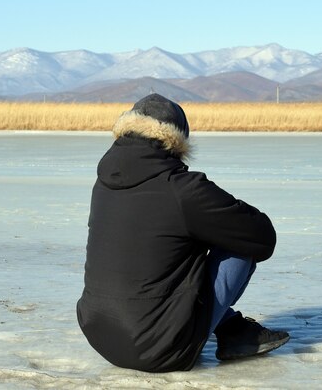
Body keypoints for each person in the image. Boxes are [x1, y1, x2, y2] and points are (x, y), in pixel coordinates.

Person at [76, 94, 289, 372]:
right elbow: (261, 236)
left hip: (101, 336)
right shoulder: (183, 189)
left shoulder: (103, 183)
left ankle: (233, 328)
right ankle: (233, 334)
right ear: (177, 138)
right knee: (239, 243)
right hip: (159, 349)